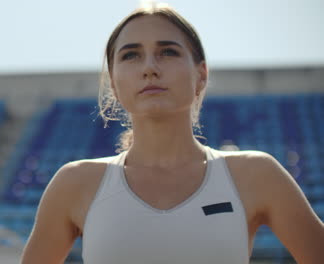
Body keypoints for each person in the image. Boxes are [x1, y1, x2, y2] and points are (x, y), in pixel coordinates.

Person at [20, 3, 324, 263]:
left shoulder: (258, 174)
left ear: (201, 75)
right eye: (131, 55)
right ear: (113, 82)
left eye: (167, 52)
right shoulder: (74, 183)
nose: (150, 67)